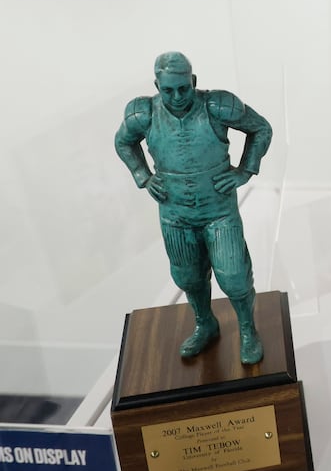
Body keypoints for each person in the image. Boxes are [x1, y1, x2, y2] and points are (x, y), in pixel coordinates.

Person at [114, 52, 273, 364]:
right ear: (157, 85)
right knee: (188, 277)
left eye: (183, 89)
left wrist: (245, 170)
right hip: (175, 213)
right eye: (168, 90)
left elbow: (261, 128)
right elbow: (123, 142)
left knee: (234, 276)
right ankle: (205, 323)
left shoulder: (217, 106)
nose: (176, 97)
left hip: (218, 209)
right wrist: (143, 176)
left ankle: (247, 328)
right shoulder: (143, 114)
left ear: (194, 82)